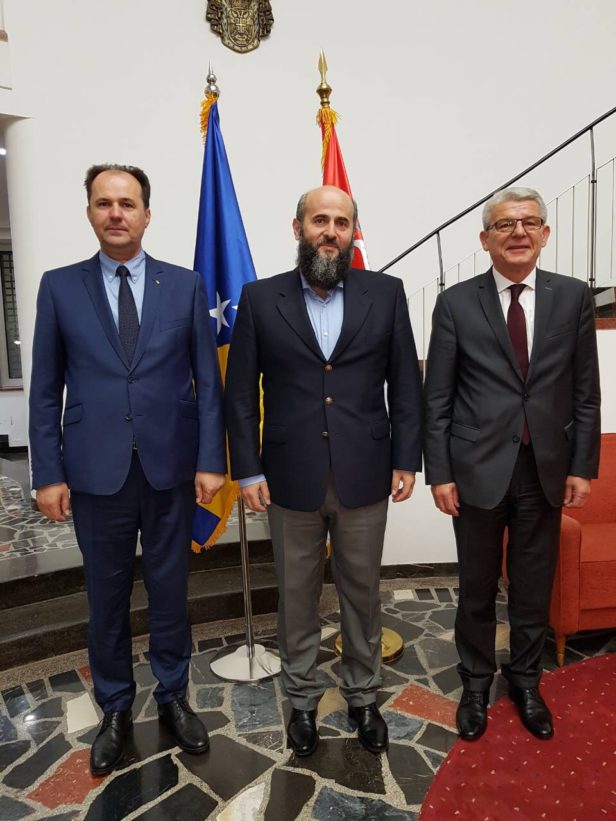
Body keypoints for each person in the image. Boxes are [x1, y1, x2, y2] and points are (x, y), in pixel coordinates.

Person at [29, 164, 226, 775]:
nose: (116, 213)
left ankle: (173, 697)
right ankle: (115, 707)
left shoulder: (185, 284)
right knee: (106, 597)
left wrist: (211, 460)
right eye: (104, 203)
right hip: (95, 473)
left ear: (146, 213)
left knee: (170, 593)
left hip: (171, 467)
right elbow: (45, 389)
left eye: (128, 203)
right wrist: (47, 472)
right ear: (90, 211)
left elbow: (208, 382)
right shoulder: (59, 287)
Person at [225, 185, 423, 756]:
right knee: (296, 595)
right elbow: (241, 394)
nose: (330, 231)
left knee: (362, 593)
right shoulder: (259, 299)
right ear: (298, 228)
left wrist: (406, 458)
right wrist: (248, 471)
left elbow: (404, 383)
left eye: (341, 221)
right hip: (289, 475)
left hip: (366, 470)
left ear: (353, 231)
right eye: (319, 220)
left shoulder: (386, 293)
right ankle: (303, 700)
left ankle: (363, 695)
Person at [424, 186, 601, 741]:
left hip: (545, 469)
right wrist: (440, 473)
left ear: (545, 234)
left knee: (532, 586)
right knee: (476, 586)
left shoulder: (573, 297)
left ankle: (526, 682)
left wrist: (582, 466)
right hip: (475, 470)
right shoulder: (456, 303)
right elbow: (437, 398)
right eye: (504, 224)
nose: (518, 232)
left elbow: (586, 392)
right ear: (485, 239)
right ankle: (476, 684)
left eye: (529, 222)